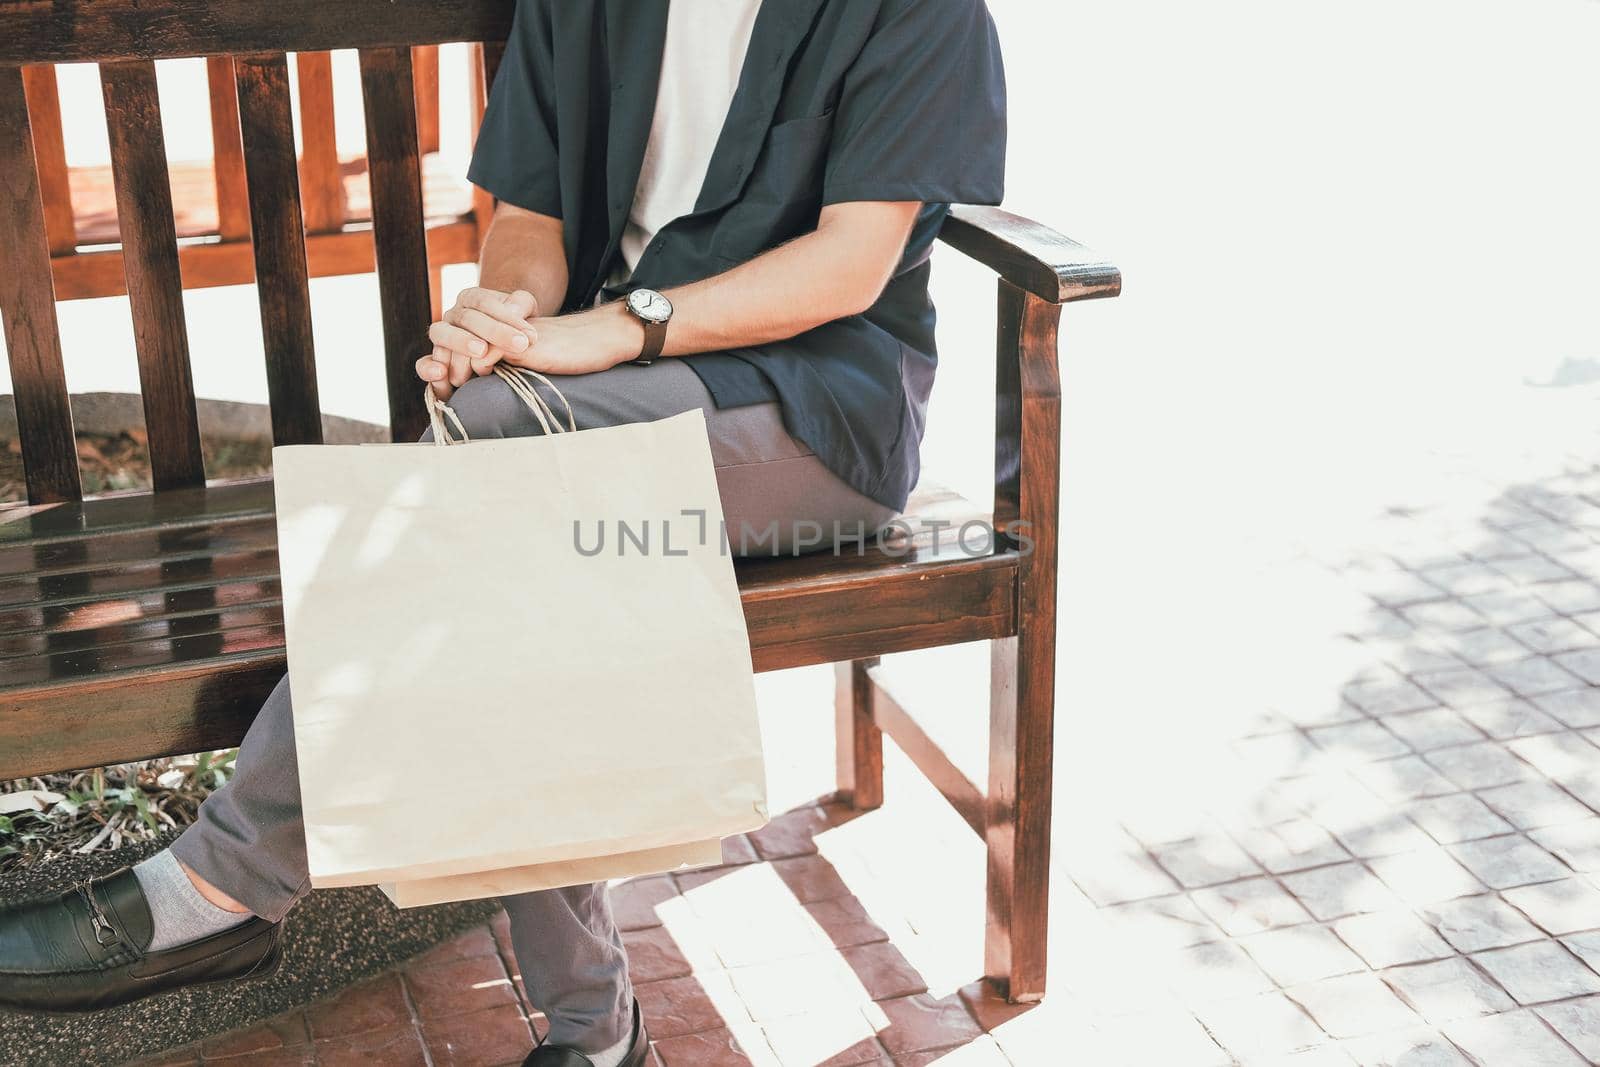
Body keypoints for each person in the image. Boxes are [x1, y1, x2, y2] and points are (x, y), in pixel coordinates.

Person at [0, 1, 1006, 1063]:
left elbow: (850, 263)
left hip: (813, 414)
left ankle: (224, 884)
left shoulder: (916, 12)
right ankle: (589, 1030)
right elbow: (529, 224)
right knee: (512, 540)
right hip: (594, 407)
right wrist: (510, 323)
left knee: (503, 479)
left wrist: (617, 331)